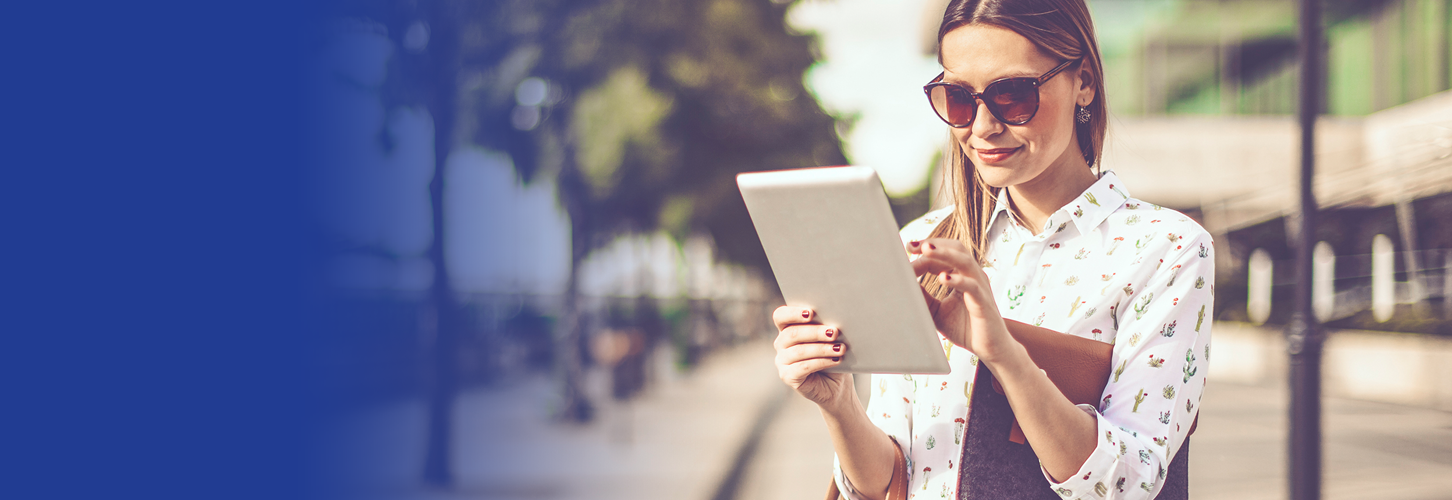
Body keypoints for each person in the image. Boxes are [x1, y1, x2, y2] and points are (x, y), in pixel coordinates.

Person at [770, 0, 1213, 498]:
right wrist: (838, 404)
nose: (981, 127)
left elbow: (1130, 483)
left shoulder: (1164, 248)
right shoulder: (924, 243)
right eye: (958, 98)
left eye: (1013, 94)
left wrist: (1003, 352)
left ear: (1083, 81)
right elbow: (893, 481)